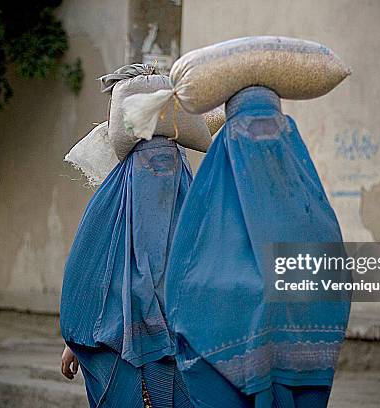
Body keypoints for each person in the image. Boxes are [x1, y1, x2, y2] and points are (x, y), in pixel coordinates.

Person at [164, 86, 351, 408]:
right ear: (226, 145)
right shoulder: (205, 223)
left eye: (272, 130)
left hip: (300, 378)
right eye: (249, 131)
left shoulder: (316, 220)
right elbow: (187, 298)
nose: (261, 142)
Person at [59, 65, 194, 407]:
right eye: (150, 165)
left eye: (170, 163)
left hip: (185, 360)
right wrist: (75, 341)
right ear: (129, 174)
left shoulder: (195, 213)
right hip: (120, 356)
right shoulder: (110, 213)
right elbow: (87, 279)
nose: (162, 174)